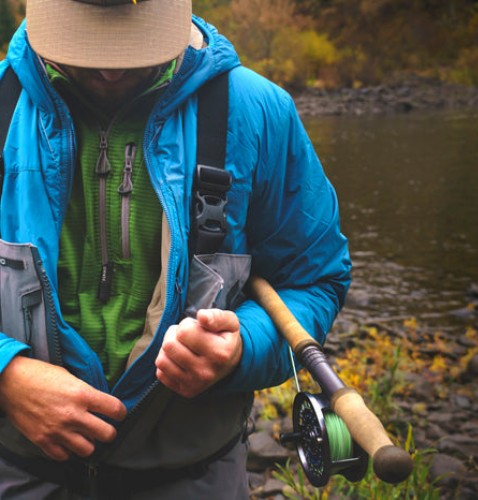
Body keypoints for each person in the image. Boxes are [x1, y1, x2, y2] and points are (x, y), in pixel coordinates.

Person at [0, 0, 351, 498]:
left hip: (197, 478)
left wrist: (242, 347)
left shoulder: (258, 112)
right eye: (87, 43)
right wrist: (6, 375)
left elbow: (314, 280)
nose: (110, 69)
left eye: (133, 42)